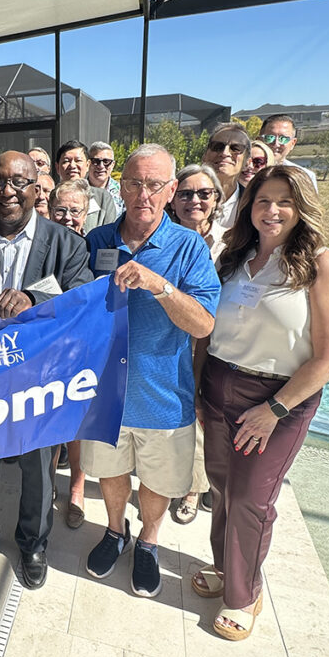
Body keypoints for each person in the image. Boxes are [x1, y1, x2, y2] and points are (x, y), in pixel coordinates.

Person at [195, 165, 329, 640]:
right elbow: (209, 329)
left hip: (277, 397)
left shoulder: (322, 264)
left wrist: (276, 409)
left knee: (251, 499)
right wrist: (201, 390)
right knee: (223, 488)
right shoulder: (235, 257)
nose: (272, 210)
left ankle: (243, 594)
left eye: (284, 201)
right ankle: (227, 568)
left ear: (302, 207)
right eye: (263, 200)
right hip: (221, 384)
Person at [0, 151, 94, 590]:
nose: (6, 191)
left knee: (37, 465)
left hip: (39, 377)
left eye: (18, 182)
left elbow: (81, 291)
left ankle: (32, 542)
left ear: (36, 189)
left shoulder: (66, 242)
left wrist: (32, 296)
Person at [82, 144, 220, 599]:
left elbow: (203, 323)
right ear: (121, 187)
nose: (144, 193)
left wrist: (160, 286)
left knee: (158, 481)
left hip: (161, 393)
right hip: (104, 392)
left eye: (155, 184)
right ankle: (115, 530)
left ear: (171, 190)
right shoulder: (96, 240)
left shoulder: (188, 246)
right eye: (136, 183)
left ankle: (149, 542)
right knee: (111, 470)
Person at [164, 164, 226, 526]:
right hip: (172, 341)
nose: (194, 201)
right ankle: (169, 479)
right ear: (173, 197)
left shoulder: (232, 243)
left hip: (214, 343)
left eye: (204, 193)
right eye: (185, 193)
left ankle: (193, 489)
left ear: (216, 198)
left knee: (199, 413)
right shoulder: (165, 237)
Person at [46, 177, 92, 528]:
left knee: (77, 423)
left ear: (86, 212)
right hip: (47, 349)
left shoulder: (98, 243)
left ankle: (76, 488)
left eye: (74, 210)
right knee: (49, 422)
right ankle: (47, 487)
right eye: (60, 209)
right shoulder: (42, 244)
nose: (66, 216)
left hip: (85, 347)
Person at [55, 140, 117, 231]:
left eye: (78, 160)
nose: (72, 166)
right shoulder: (51, 196)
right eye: (66, 161)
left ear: (88, 165)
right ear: (57, 167)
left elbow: (109, 233)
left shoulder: (103, 198)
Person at [202, 124, 251, 230]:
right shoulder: (180, 198)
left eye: (236, 148)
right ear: (204, 155)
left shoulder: (252, 204)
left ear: (247, 162)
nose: (225, 153)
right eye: (217, 147)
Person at [258, 114, 318, 190]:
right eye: (270, 138)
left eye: (283, 139)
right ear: (259, 140)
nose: (276, 143)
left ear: (293, 143)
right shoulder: (245, 173)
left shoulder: (305, 177)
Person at [88, 141, 124, 215]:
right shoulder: (79, 190)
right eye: (96, 161)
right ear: (88, 163)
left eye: (106, 161)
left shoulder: (122, 191)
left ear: (113, 165)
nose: (101, 166)